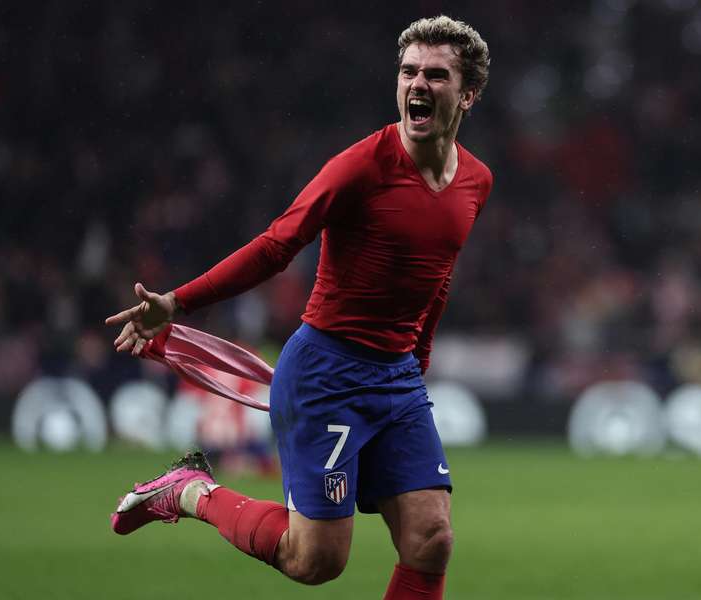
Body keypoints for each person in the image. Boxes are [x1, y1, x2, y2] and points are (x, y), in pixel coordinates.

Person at [106, 15, 493, 599]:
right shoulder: (361, 167)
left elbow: (435, 278)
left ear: (467, 94)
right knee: (315, 561)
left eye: (436, 75)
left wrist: (419, 360)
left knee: (431, 538)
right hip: (327, 376)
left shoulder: (476, 182)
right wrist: (177, 301)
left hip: (397, 380)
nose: (417, 84)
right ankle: (189, 491)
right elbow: (275, 246)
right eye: (408, 71)